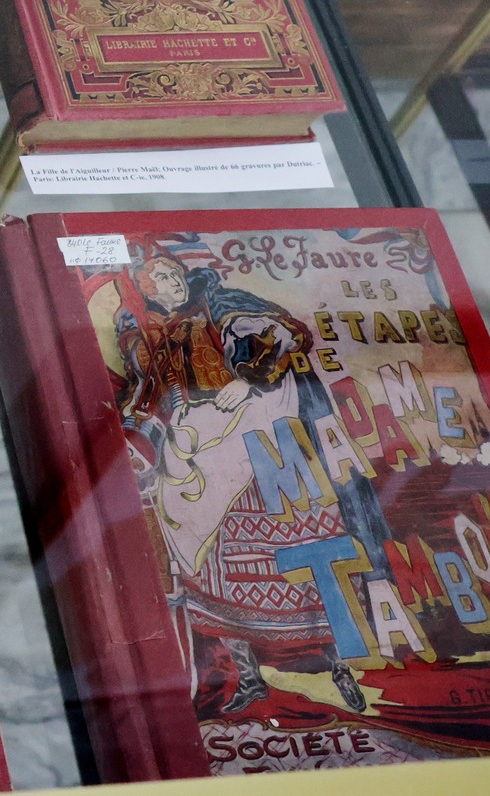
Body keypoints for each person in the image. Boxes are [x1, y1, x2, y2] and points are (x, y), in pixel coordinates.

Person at [114, 251, 385, 717]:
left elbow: (283, 336)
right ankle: (250, 677)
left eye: (174, 273)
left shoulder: (222, 307)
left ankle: (340, 668)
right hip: (207, 453)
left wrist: (246, 378)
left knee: (309, 556)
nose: (172, 281)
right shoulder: (160, 336)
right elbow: (148, 394)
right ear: (149, 293)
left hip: (262, 443)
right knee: (211, 567)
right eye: (160, 278)